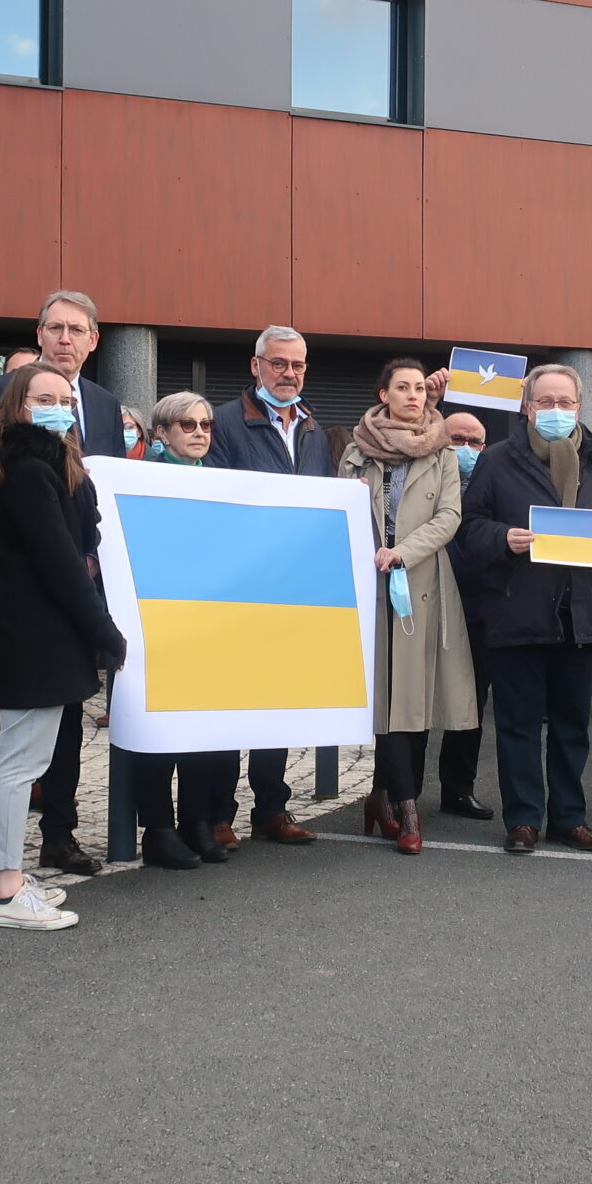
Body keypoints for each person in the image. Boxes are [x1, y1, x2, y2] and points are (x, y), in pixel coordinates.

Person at [0, 363, 128, 929]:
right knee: (17, 763)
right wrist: (103, 630)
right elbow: (59, 560)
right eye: (42, 398)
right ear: (18, 405)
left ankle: (8, 874)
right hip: (35, 634)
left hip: (27, 631)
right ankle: (4, 889)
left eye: (64, 398)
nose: (57, 407)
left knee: (20, 757)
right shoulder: (29, 469)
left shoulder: (35, 464)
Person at [456, 365, 592, 853]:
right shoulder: (498, 460)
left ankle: (569, 817)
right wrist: (504, 538)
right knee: (517, 724)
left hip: (582, 613)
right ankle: (523, 819)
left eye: (565, 402)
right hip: (518, 609)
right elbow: (469, 526)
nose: (556, 411)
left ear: (579, 406)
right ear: (527, 406)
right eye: (545, 402)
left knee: (571, 726)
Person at [339, 359, 479, 855]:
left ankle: (389, 798)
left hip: (421, 584)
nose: (414, 395)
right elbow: (344, 515)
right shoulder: (357, 452)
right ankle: (403, 802)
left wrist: (404, 551)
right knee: (387, 695)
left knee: (413, 698)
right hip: (372, 585)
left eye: (420, 387)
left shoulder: (440, 450)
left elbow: (450, 517)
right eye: (403, 387)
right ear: (384, 394)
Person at [205, 324, 334, 844]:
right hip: (237, 590)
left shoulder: (313, 429)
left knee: (276, 704)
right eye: (278, 363)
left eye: (298, 365)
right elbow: (212, 502)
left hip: (292, 591)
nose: (289, 373)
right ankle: (218, 813)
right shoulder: (223, 422)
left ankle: (271, 810)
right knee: (230, 707)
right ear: (255, 366)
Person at [123, 392, 244, 860]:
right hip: (157, 623)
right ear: (162, 433)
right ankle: (157, 830)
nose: (199, 434)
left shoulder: (220, 482)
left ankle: (196, 822)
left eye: (206, 426)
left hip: (208, 625)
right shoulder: (138, 480)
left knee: (202, 733)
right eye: (187, 426)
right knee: (160, 734)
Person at [433, 410, 498, 821]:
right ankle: (397, 792)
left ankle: (458, 789)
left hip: (477, 609)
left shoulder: (490, 485)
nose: (468, 450)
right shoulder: (427, 478)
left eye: (476, 443)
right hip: (424, 604)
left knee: (470, 702)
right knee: (413, 703)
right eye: (458, 439)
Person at [0, 291, 129, 456]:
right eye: (56, 328)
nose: (65, 339)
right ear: (40, 336)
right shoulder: (0, 390)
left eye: (76, 330)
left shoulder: (107, 404)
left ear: (92, 340)